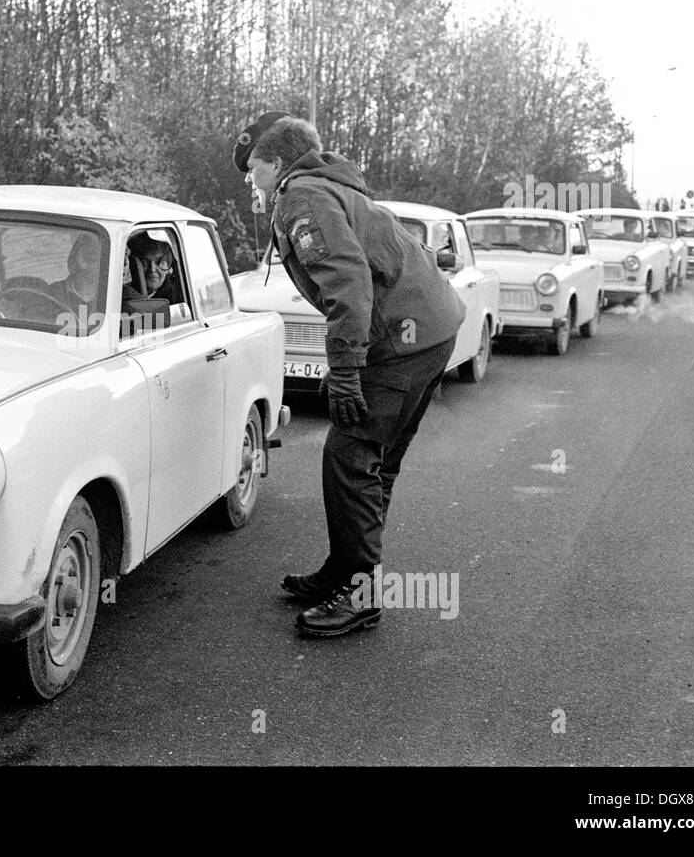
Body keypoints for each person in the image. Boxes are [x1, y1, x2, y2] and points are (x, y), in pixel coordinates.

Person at [234, 112, 466, 638]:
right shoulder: (327, 185)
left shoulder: (303, 196)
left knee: (350, 454)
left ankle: (359, 594)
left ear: (277, 163)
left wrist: (344, 372)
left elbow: (349, 284)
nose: (251, 180)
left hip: (404, 339)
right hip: (431, 328)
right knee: (373, 461)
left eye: (253, 168)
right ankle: (346, 570)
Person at [48, 235, 103, 313]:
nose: (90, 263)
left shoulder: (113, 294)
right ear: (75, 258)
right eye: (87, 255)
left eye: (96, 257)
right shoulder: (54, 292)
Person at [127, 233, 182, 305]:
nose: (152, 269)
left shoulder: (177, 298)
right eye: (145, 261)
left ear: (169, 268)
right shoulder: (125, 295)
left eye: (160, 262)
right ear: (134, 264)